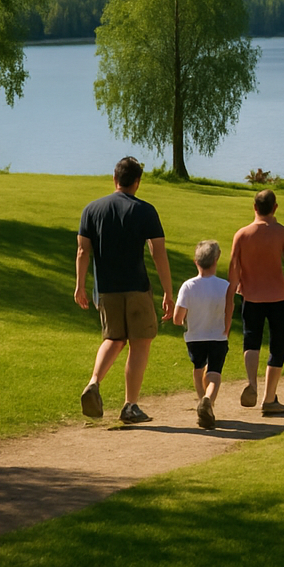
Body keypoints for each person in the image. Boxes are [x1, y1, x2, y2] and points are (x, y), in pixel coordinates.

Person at [76, 156, 173, 424]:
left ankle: (94, 381)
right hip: (137, 288)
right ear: (137, 182)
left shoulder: (91, 210)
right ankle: (130, 406)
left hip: (106, 289)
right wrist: (168, 292)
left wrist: (79, 285)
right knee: (139, 343)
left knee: (113, 338)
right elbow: (159, 253)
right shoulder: (145, 210)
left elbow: (83, 250)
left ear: (115, 178)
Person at [228, 190, 284, 417]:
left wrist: (229, 299)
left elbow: (233, 270)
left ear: (254, 207)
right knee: (278, 346)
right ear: (275, 208)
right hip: (278, 297)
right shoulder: (282, 233)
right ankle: (269, 398)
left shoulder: (241, 235)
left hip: (251, 297)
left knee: (251, 340)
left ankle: (252, 382)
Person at [172, 240, 234, 429]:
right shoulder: (225, 286)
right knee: (214, 373)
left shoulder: (188, 286)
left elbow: (177, 317)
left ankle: (202, 401)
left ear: (195, 261)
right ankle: (208, 401)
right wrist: (226, 328)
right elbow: (229, 312)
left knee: (199, 369)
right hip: (218, 336)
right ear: (216, 260)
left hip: (195, 337)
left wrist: (185, 320)